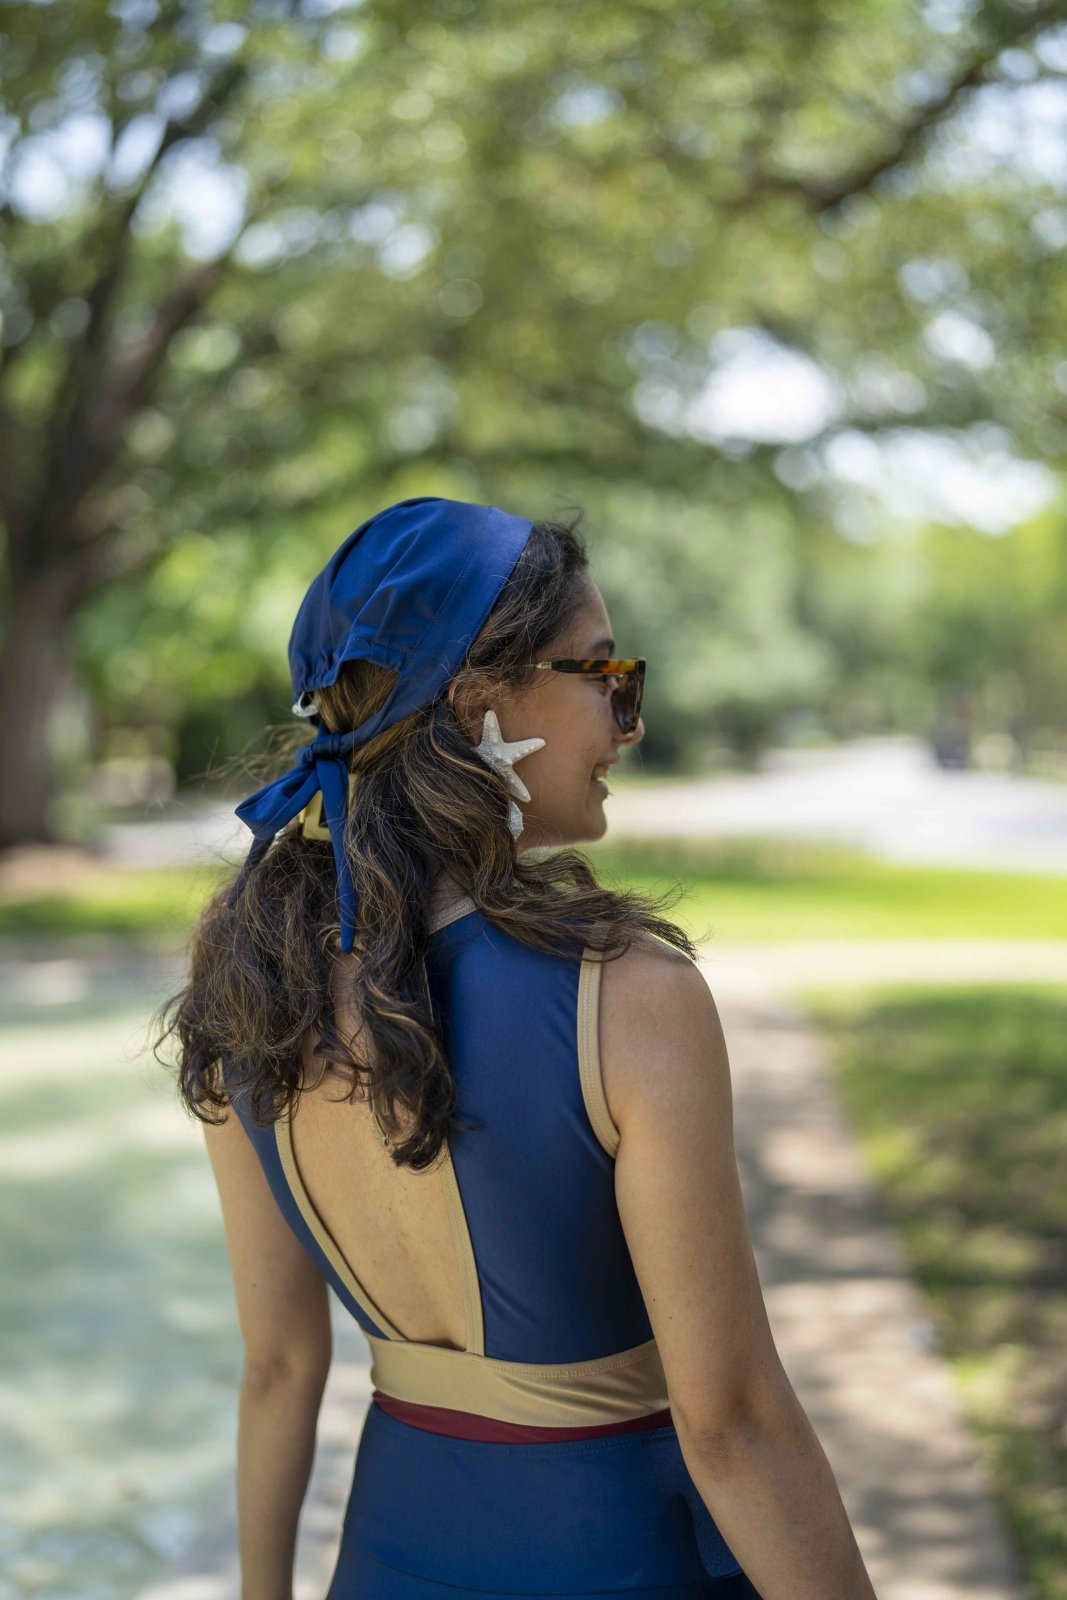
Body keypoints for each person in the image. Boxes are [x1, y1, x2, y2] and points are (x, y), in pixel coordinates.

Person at [155, 497, 879, 1599]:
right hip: (622, 1560)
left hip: (389, 1555)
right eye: (603, 674)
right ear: (478, 702)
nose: (628, 722)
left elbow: (280, 1368)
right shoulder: (628, 996)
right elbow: (730, 1423)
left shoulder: (248, 973)